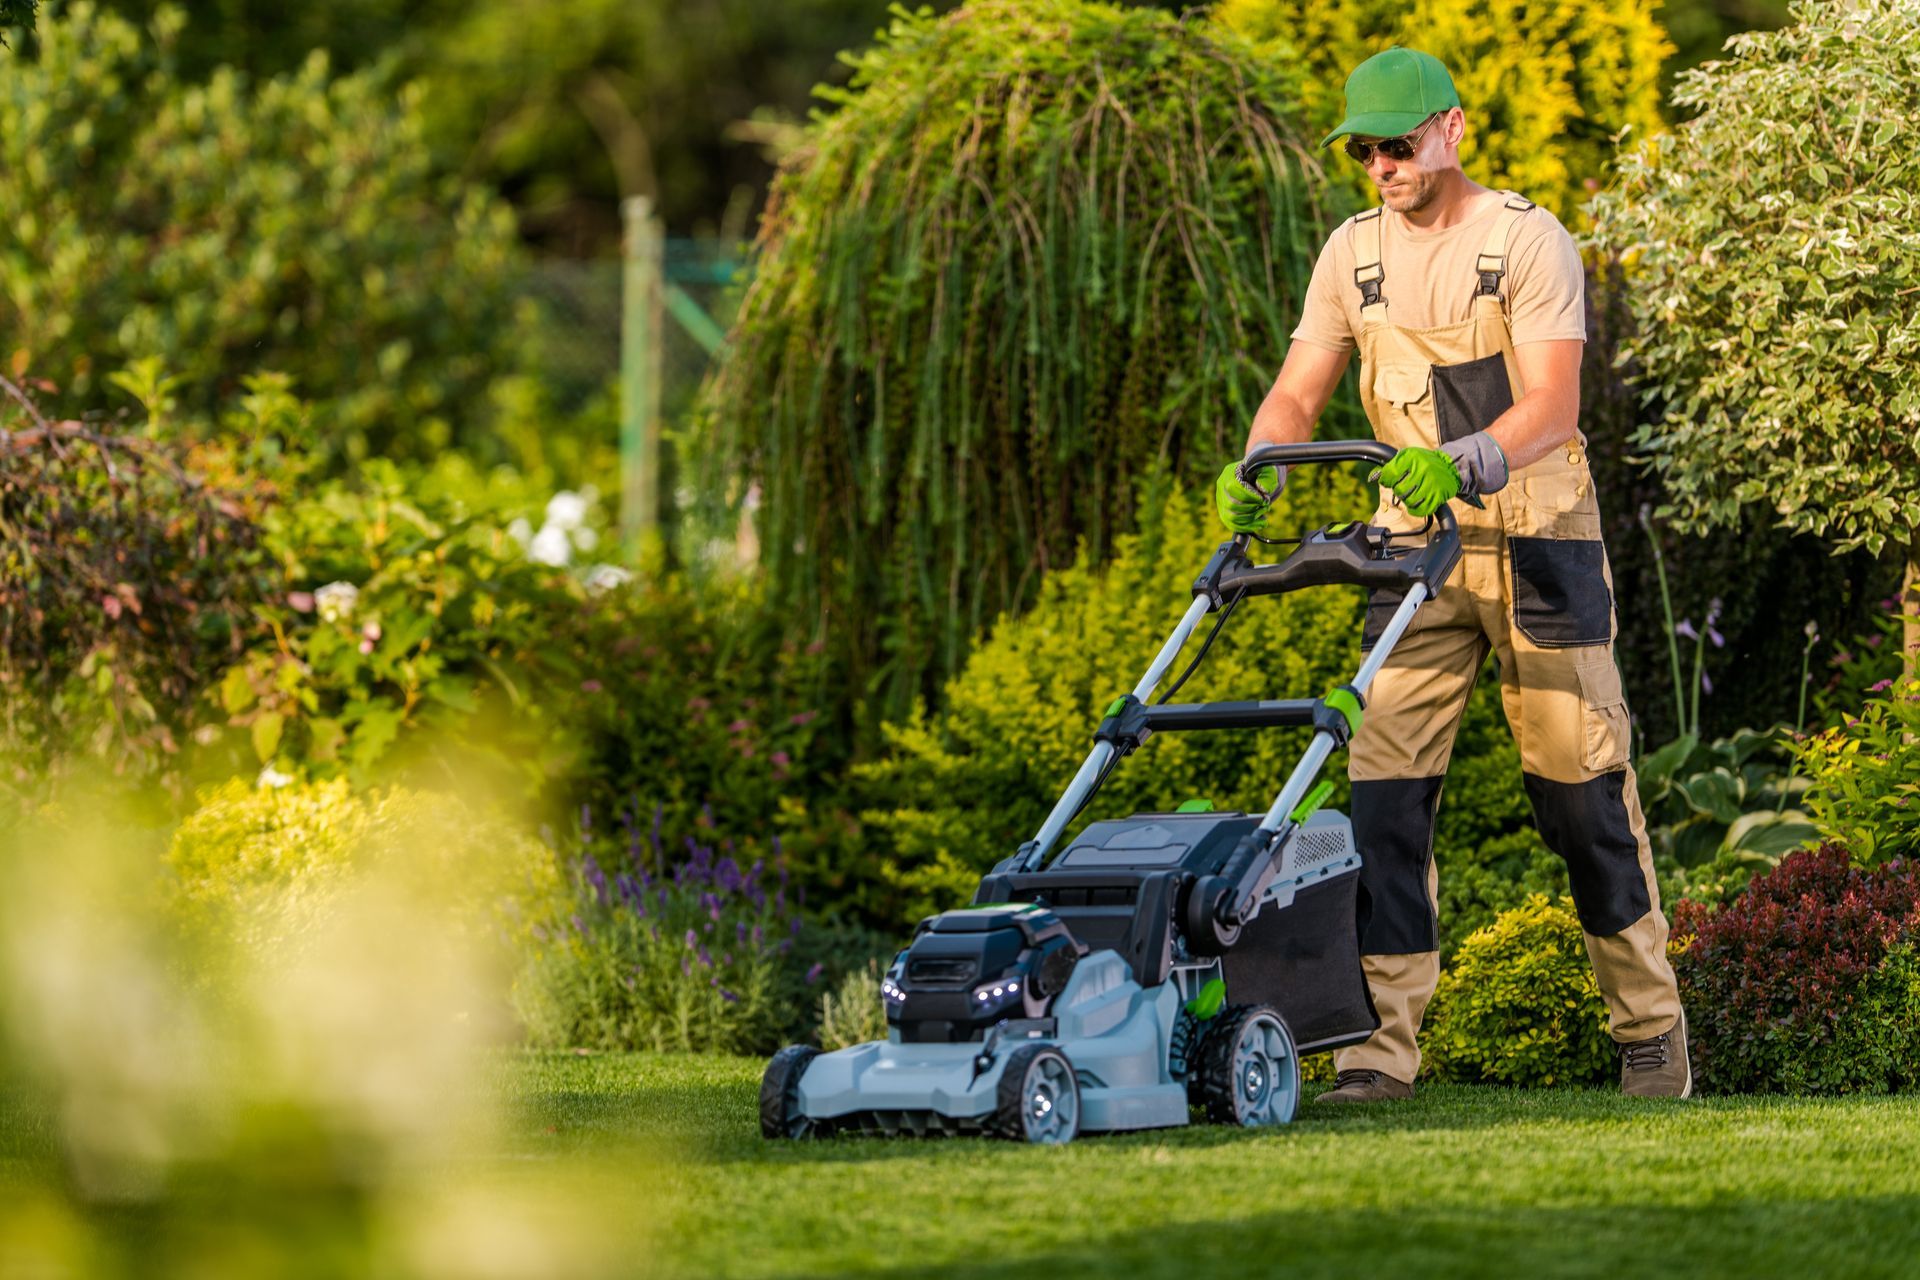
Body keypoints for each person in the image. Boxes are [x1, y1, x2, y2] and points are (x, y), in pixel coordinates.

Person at [1215, 47, 1690, 1101]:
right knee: (1382, 797)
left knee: (1582, 798)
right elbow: (1298, 391)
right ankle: (1379, 1051)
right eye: (1367, 150)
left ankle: (1652, 1032)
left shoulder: (1526, 240)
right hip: (1412, 546)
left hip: (1535, 538)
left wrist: (1464, 457)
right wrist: (1260, 466)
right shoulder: (1352, 254)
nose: (1383, 165)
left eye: (1400, 143)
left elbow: (1553, 409)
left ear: (1453, 129)